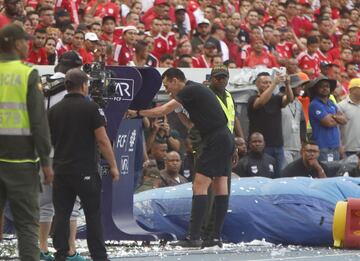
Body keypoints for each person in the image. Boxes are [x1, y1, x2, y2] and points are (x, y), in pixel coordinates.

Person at [127, 68, 235, 248]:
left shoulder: (189, 90)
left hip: (215, 140)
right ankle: (215, 237)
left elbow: (163, 109)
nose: (167, 89)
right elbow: (192, 124)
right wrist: (179, 113)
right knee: (220, 185)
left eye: (167, 84)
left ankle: (194, 236)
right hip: (224, 138)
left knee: (199, 185)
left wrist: (138, 113)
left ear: (175, 80)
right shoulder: (196, 92)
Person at [48, 68, 119, 261]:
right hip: (85, 170)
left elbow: (49, 141)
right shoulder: (91, 108)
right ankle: (99, 255)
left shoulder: (54, 111)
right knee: (92, 214)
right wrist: (113, 165)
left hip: (61, 170)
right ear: (84, 85)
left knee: (61, 213)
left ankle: (61, 254)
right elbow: (103, 140)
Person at [0, 24, 53, 261]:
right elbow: (39, 124)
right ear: (14, 43)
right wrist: (46, 162)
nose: (28, 44)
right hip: (21, 162)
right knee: (27, 226)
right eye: (24, 41)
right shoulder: (27, 74)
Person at [40, 50, 84, 261]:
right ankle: (71, 249)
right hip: (68, 153)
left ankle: (41, 248)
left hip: (43, 151)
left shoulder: (42, 84)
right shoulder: (77, 87)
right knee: (71, 203)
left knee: (44, 203)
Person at [247, 71, 294, 178]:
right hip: (261, 147)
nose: (268, 84)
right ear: (257, 85)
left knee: (279, 176)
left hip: (278, 146)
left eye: (269, 82)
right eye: (264, 83)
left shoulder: (276, 98)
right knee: (264, 176)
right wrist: (274, 84)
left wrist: (287, 84)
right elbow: (261, 102)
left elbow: (290, 99)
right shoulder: (252, 99)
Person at [307, 76, 348, 162]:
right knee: (326, 172)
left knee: (335, 173)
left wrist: (333, 116)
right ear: (316, 89)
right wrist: (336, 117)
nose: (324, 88)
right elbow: (328, 122)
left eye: (327, 86)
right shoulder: (314, 104)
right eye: (321, 86)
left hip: (335, 146)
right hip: (322, 146)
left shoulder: (331, 103)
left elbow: (344, 120)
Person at [281, 73, 309, 165]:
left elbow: (302, 123)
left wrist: (303, 142)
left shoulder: (299, 103)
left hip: (297, 147)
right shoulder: (280, 101)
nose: (301, 89)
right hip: (284, 147)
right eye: (299, 86)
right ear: (291, 87)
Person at [337, 78, 360, 157]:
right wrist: (339, 145)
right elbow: (337, 128)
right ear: (353, 89)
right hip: (348, 149)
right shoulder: (341, 106)